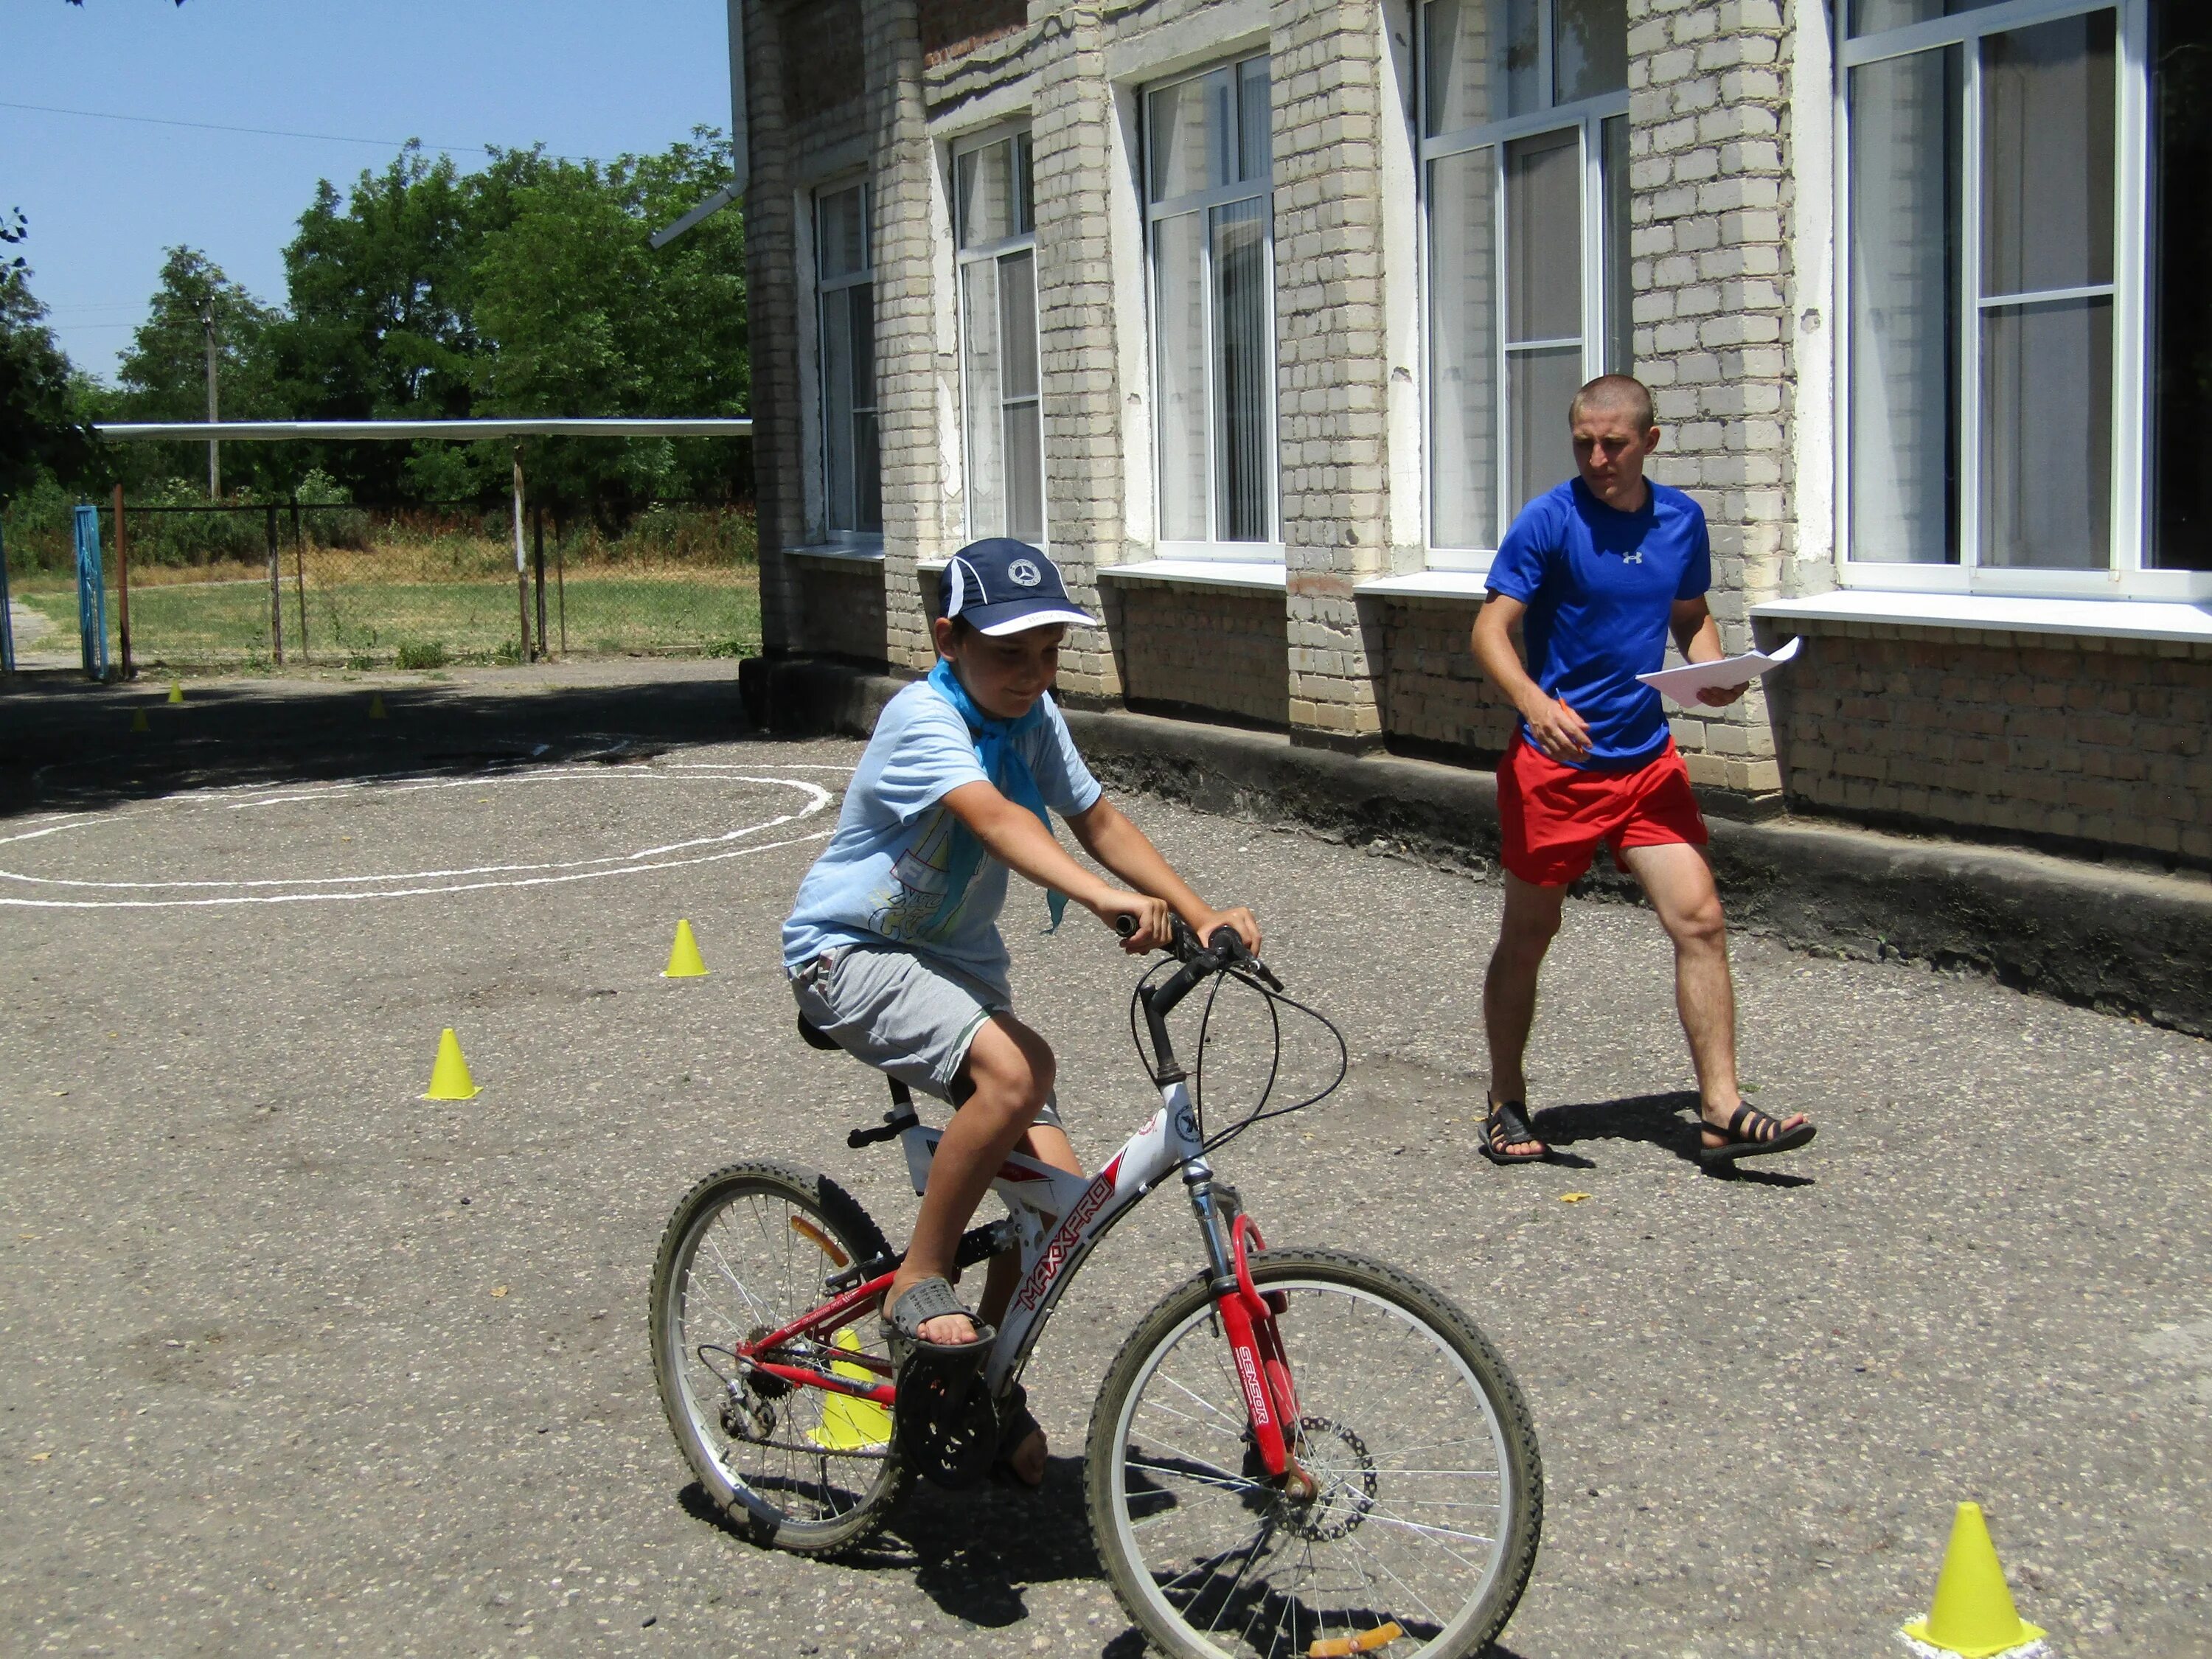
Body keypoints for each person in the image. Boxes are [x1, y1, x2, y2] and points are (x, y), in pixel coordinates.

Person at [782, 538, 1261, 1485]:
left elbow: (1098, 819)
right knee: (1017, 1070)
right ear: (948, 638)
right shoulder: (925, 718)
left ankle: (975, 1391)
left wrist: (1201, 914)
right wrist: (1101, 900)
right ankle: (921, 1281)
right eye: (1010, 654)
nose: (1033, 674)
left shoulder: (1031, 714)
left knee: (1060, 1209)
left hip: (954, 973)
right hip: (851, 956)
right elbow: (996, 820)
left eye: (1048, 654)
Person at [1470, 375, 1815, 1169]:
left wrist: (1714, 669)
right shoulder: (1550, 520)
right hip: (1557, 768)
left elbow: (1689, 618)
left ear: (1649, 442)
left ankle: (1721, 1109)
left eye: (1614, 443)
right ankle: (1506, 1098)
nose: (1598, 458)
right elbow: (1489, 630)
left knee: (1700, 921)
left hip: (1644, 763)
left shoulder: (1681, 521)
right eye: (1584, 442)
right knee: (1530, 934)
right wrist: (1533, 702)